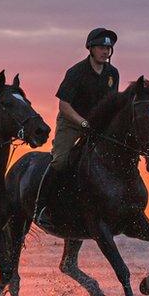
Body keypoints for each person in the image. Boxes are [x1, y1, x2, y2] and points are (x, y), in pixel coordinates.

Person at [34, 27, 120, 228]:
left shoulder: (113, 73)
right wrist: (83, 123)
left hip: (98, 125)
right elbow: (63, 105)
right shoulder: (76, 72)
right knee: (61, 160)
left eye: (108, 48)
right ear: (90, 48)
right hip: (72, 121)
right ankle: (42, 207)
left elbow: (112, 103)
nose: (105, 51)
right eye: (101, 47)